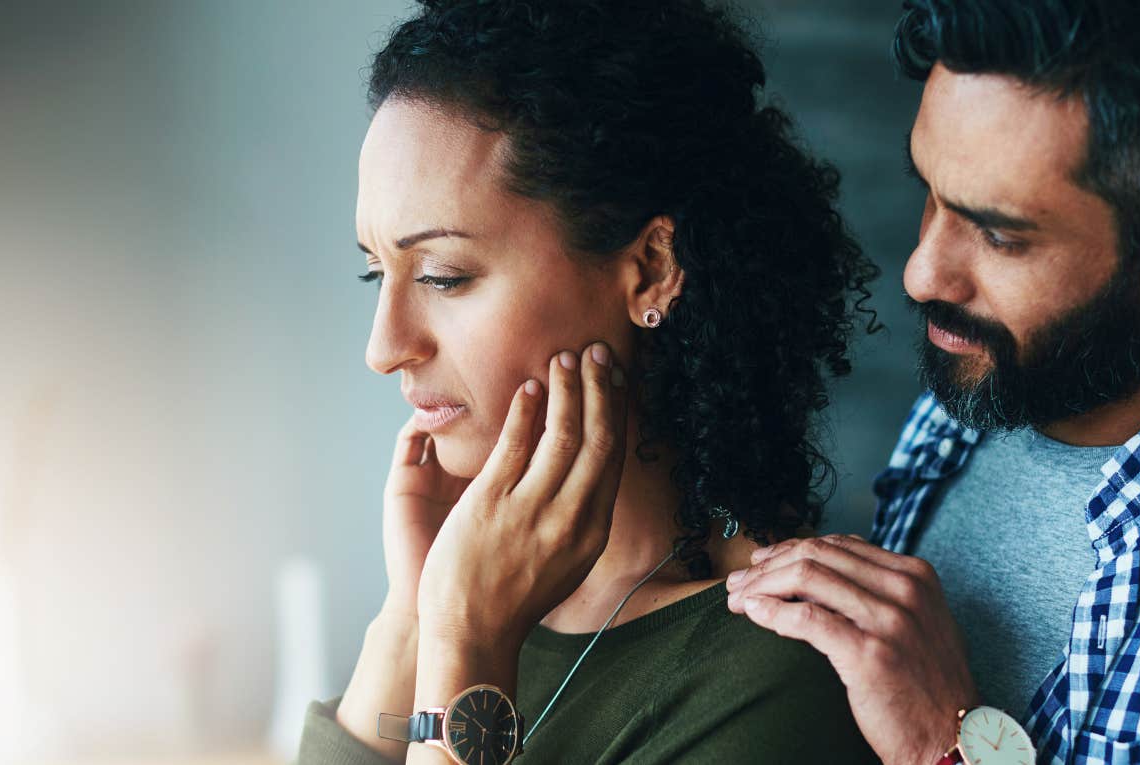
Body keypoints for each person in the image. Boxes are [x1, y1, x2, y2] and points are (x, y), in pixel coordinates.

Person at [295, 1, 882, 762]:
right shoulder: (465, 599)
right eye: (378, 271)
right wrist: (409, 617)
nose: (384, 347)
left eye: (444, 275)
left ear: (650, 271)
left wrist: (467, 640)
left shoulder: (770, 670)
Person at [725, 1, 1140, 763]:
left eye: (999, 235)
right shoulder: (981, 383)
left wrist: (944, 740)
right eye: (929, 189)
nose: (923, 272)